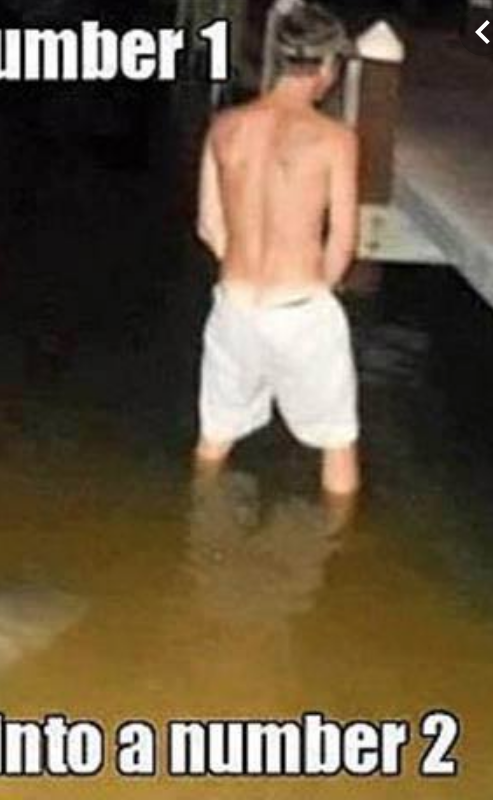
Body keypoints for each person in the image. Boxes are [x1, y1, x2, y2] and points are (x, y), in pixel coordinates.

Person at [194, 1, 360, 498]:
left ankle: (195, 522)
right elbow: (343, 242)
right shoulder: (335, 139)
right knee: (337, 443)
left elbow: (209, 226)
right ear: (327, 66)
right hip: (299, 305)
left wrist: (246, 272)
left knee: (214, 437)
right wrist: (312, 294)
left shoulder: (225, 126)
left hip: (235, 304)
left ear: (282, 57)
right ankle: (340, 543)